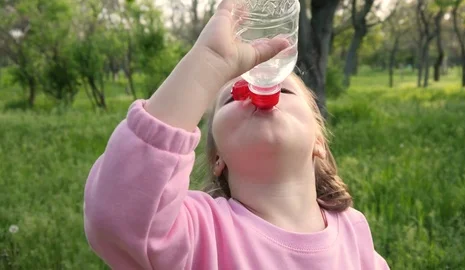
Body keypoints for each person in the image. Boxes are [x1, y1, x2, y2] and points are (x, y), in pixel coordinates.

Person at [83, 0, 390, 269]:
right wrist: (209, 63)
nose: (254, 91)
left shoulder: (354, 230)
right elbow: (118, 215)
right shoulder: (199, 233)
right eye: (231, 98)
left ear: (318, 142)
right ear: (217, 158)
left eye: (284, 88)